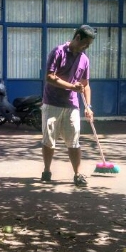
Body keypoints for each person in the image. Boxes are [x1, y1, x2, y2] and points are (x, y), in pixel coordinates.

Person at [40, 25, 96, 186]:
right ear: (77, 37)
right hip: (52, 103)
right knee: (49, 140)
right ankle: (47, 170)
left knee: (74, 140)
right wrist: (72, 86)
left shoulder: (84, 59)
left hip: (72, 105)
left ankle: (77, 174)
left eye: (89, 44)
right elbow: (49, 77)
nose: (87, 47)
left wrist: (88, 106)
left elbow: (85, 85)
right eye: (85, 43)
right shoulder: (58, 52)